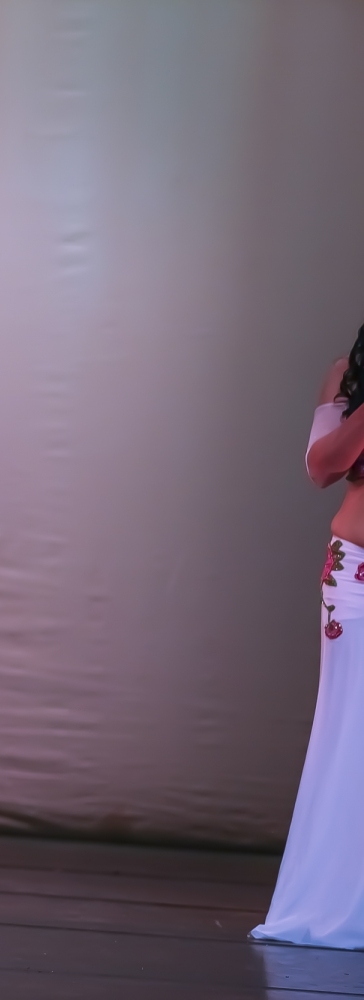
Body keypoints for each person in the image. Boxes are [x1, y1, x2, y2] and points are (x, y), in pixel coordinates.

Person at [252, 328, 364, 948]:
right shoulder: (347, 374)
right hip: (357, 580)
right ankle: (335, 898)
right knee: (349, 731)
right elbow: (322, 467)